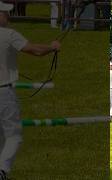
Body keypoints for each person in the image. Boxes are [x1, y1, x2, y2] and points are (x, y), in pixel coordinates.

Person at [0, 1, 61, 179]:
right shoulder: (9, 35)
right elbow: (35, 50)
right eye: (4, 13)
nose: (8, 16)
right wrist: (52, 47)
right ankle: (2, 170)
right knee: (13, 136)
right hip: (4, 92)